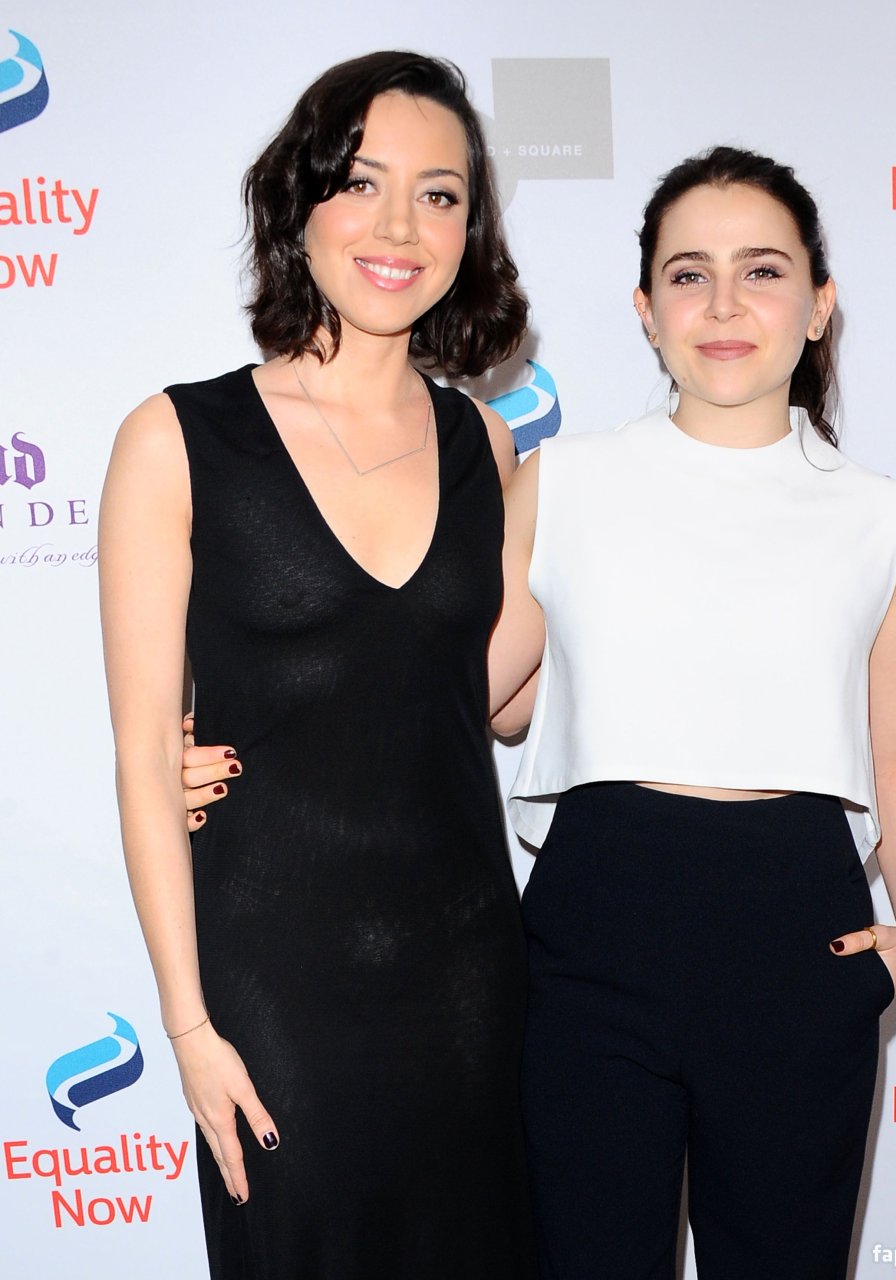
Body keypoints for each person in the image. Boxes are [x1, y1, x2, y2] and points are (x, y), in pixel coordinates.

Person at [185, 145, 896, 1279]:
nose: (723, 304)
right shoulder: (563, 481)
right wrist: (224, 740)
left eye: (762, 270)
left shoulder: (886, 519)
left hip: (798, 939)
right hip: (590, 935)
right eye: (687, 274)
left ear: (819, 302)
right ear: (644, 310)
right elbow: (449, 692)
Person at [100, 52, 537, 1280]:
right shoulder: (177, 438)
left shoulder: (485, 442)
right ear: (300, 203)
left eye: (439, 195)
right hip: (274, 986)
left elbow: (494, 703)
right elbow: (142, 755)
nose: (400, 227)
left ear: (469, 229)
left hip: (470, 975)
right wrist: (190, 1025)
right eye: (361, 182)